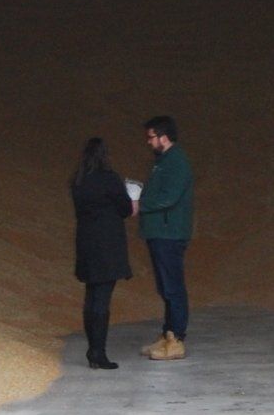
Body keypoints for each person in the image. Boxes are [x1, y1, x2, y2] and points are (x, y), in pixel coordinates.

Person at [70, 135, 134, 370]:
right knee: (102, 300)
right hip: (108, 245)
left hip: (86, 243)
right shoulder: (110, 179)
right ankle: (99, 351)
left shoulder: (78, 180)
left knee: (91, 297)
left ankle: (92, 349)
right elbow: (126, 209)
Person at [138, 114, 195, 360]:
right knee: (166, 286)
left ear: (163, 137)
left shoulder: (176, 162)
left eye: (151, 137)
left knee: (173, 286)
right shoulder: (164, 161)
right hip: (161, 232)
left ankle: (176, 339)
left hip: (168, 233)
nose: (148, 142)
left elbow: (168, 196)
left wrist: (140, 203)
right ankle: (168, 334)